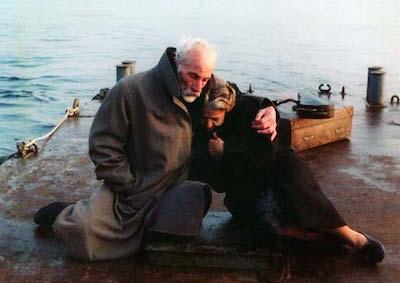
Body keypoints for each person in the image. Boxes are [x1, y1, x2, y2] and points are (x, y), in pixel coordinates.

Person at [33, 37, 278, 261]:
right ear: (175, 63)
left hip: (175, 186)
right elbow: (103, 146)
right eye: (193, 76)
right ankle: (63, 214)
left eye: (205, 79)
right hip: (131, 191)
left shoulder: (205, 88)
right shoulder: (130, 90)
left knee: (183, 222)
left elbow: (238, 99)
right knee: (85, 237)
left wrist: (269, 109)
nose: (199, 86)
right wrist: (129, 184)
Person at [190, 77, 385, 263]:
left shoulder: (251, 111)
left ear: (228, 108)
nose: (209, 124)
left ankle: (350, 236)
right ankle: (307, 236)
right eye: (205, 118)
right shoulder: (202, 132)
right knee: (254, 212)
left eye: (215, 119)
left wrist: (226, 151)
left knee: (295, 180)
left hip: (274, 171)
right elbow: (219, 183)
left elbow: (266, 154)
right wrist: (217, 159)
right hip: (245, 188)